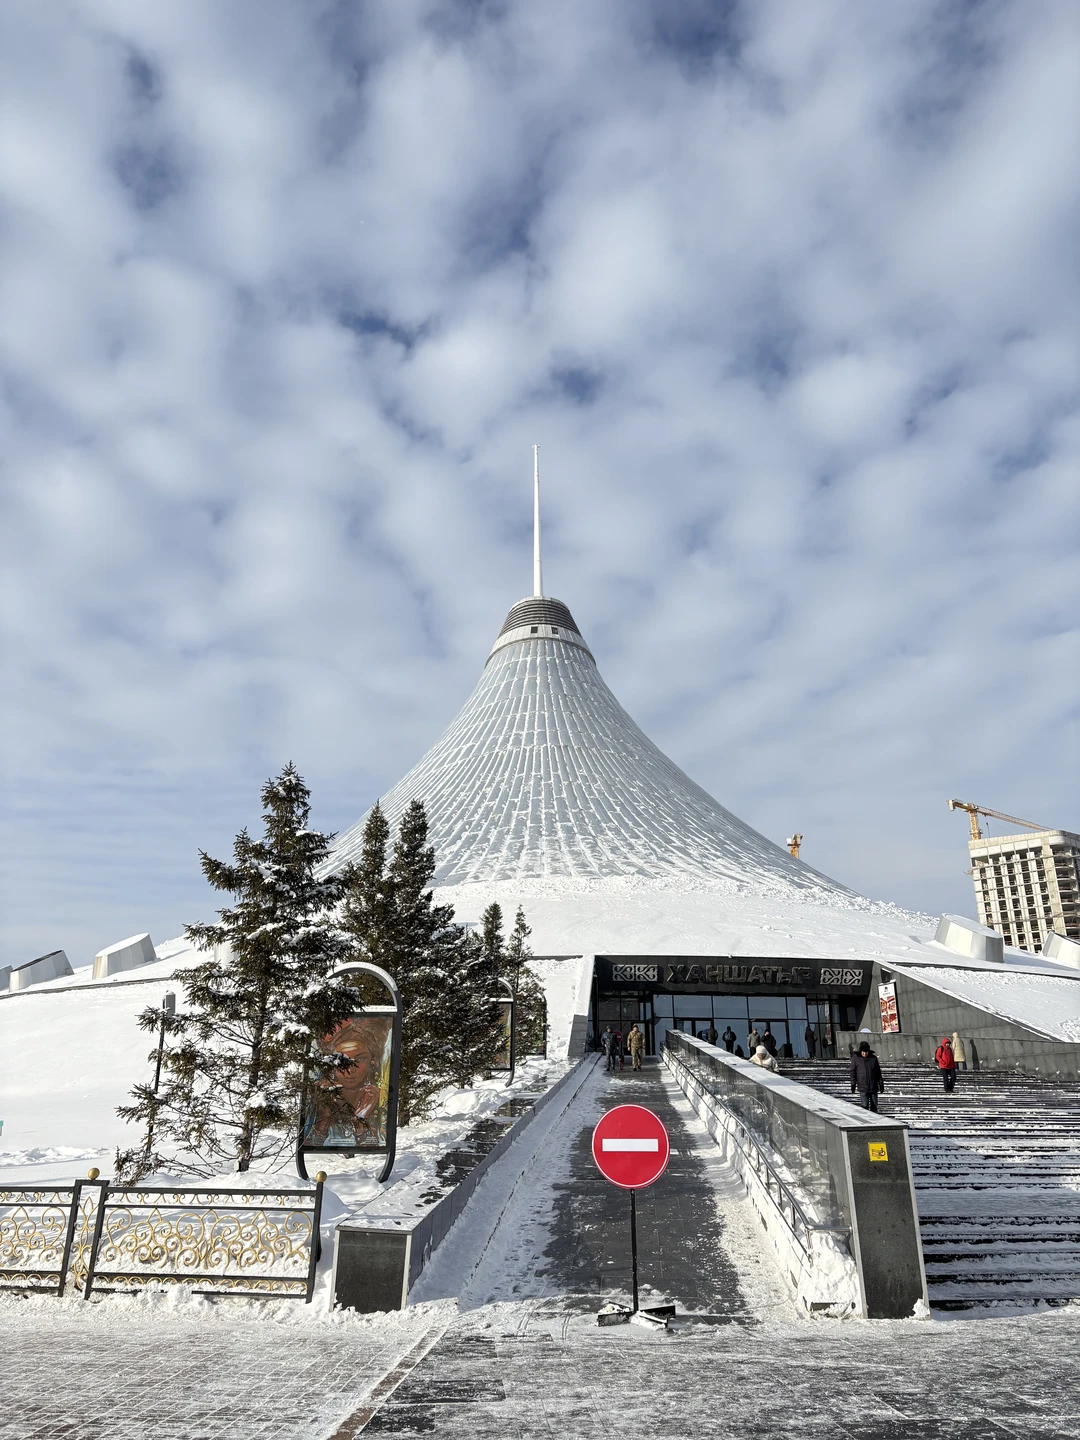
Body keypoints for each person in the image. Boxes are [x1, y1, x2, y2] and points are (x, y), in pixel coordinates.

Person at [849, 1040, 884, 1111]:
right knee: (865, 1106)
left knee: (874, 1106)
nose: (864, 1054)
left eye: (866, 1052)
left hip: (873, 1086)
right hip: (863, 1087)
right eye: (863, 1052)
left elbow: (878, 1072)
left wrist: (881, 1083)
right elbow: (852, 1072)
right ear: (860, 1051)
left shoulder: (873, 1058)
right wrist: (853, 1084)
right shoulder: (855, 1059)